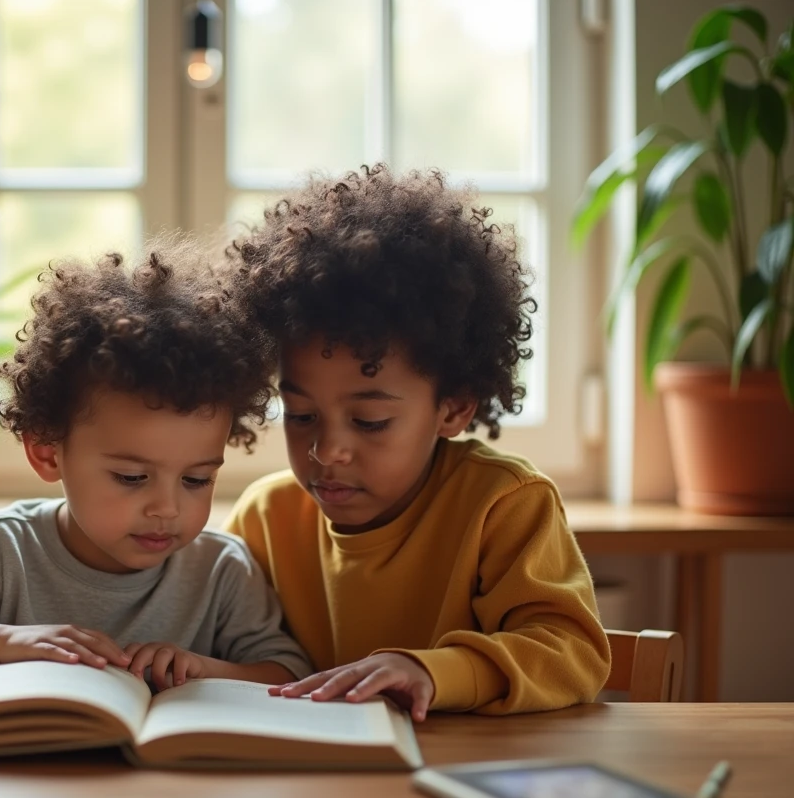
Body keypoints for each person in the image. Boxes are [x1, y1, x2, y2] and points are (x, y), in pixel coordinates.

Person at [0, 238, 312, 697]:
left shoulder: (221, 569)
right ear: (46, 451)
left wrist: (206, 669)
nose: (168, 507)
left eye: (197, 479)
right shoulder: (0, 552)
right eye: (131, 477)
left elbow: (286, 672)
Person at [221, 164, 611, 721]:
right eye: (301, 414)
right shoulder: (264, 518)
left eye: (371, 420)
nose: (327, 450)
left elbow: (572, 653)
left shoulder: (501, 504)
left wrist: (432, 670)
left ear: (452, 406)